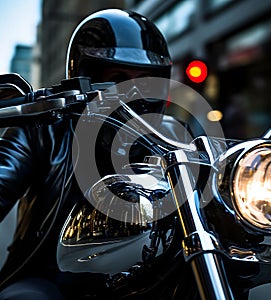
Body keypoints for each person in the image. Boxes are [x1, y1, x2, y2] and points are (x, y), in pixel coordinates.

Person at [0, 8, 173, 299]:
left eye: (145, 80)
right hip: (50, 276)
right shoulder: (44, 130)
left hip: (144, 280)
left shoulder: (171, 139)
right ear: (85, 77)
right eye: (118, 77)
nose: (133, 91)